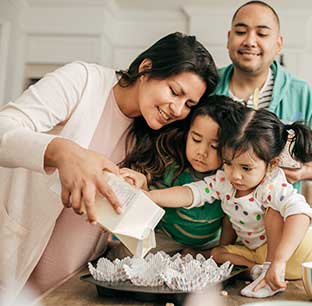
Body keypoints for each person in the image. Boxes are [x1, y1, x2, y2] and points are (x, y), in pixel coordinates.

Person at [0, 32, 218, 304]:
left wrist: (135, 193)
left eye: (189, 104)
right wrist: (63, 152)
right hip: (13, 266)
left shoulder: (152, 135)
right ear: (146, 68)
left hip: (70, 286)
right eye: (175, 91)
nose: (177, 109)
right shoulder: (83, 81)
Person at [147, 107, 312, 298]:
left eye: (246, 168)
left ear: (271, 164)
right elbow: (192, 193)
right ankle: (257, 272)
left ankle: (269, 272)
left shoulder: (271, 184)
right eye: (228, 163)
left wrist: (278, 261)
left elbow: (301, 214)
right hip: (257, 254)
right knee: (218, 255)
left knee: (274, 211)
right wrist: (151, 197)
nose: (235, 175)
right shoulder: (224, 181)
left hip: (294, 251)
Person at [214, 0, 312, 187]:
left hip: (276, 212)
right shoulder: (208, 84)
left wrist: (304, 172)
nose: (250, 41)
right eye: (240, 32)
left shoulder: (300, 92)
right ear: (229, 39)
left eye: (262, 34)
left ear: (278, 44)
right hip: (213, 211)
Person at [120, 95, 246, 256]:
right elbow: (150, 204)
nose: (202, 152)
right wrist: (143, 189)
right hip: (165, 237)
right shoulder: (171, 165)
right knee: (128, 255)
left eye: (214, 146)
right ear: (187, 134)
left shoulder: (229, 178)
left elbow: (230, 219)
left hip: (209, 244)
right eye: (196, 139)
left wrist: (221, 250)